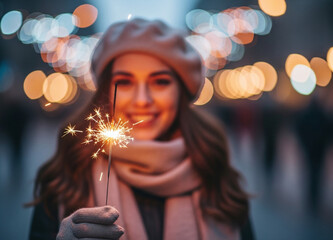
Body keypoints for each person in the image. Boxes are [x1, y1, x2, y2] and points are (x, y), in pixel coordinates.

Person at [29, 18, 254, 240]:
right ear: (106, 91)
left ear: (181, 90)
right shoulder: (65, 179)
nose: (142, 100)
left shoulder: (216, 176)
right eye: (125, 82)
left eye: (160, 82)